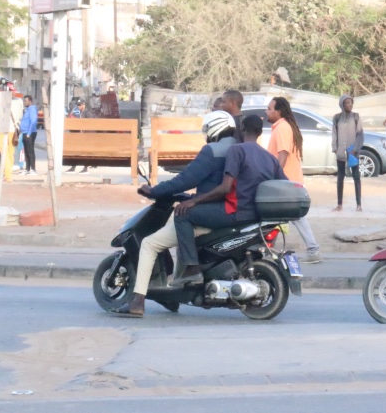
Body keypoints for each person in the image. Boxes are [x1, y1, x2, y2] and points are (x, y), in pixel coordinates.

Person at [110, 111, 238, 317]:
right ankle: (174, 292)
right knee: (181, 227)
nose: (206, 136)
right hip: (229, 211)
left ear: (215, 128)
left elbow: (187, 178)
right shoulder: (239, 148)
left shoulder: (212, 151)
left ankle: (137, 301)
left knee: (150, 243)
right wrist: (190, 197)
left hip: (209, 215)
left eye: (207, 131)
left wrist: (156, 190)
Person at [171, 115, 287, 286]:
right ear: (260, 132)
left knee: (183, 214)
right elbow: (283, 185)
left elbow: (225, 188)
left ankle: (191, 268)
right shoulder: (270, 158)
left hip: (236, 211)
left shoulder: (237, 150)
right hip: (257, 216)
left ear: (242, 129)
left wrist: (194, 201)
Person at [267, 97, 323, 264]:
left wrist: (274, 178)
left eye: (269, 109)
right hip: (289, 181)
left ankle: (313, 250)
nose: (267, 111)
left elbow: (283, 154)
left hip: (285, 182)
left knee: (294, 217)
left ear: (278, 111)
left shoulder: (282, 128)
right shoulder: (283, 126)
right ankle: (268, 250)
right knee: (275, 216)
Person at [331, 94, 363, 212]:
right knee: (340, 177)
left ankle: (358, 204)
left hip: (353, 151)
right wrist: (334, 147)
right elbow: (334, 133)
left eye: (350, 103)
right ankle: (339, 204)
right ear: (342, 104)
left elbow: (360, 134)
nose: (349, 105)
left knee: (356, 176)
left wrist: (356, 148)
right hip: (340, 151)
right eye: (346, 103)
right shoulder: (337, 118)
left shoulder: (356, 117)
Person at [66, 99, 90, 174]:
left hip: (85, 136)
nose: (78, 106)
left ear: (83, 105)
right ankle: (73, 167)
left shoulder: (87, 113)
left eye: (80, 105)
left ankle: (85, 168)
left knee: (85, 153)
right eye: (78, 105)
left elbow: (91, 124)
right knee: (76, 152)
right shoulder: (78, 113)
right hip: (79, 136)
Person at [1, 97, 22, 182]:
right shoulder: (19, 102)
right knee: (10, 153)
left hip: (2, 129)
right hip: (13, 129)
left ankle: (8, 175)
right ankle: (8, 175)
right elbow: (20, 116)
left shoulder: (1, 100)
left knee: (3, 151)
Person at [20, 95, 38, 176]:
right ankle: (27, 169)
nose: (25, 102)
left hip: (29, 133)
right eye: (24, 101)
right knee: (26, 151)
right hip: (25, 132)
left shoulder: (32, 109)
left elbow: (33, 121)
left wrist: (28, 133)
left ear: (30, 101)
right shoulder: (28, 110)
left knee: (30, 151)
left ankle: (33, 169)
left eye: (26, 101)